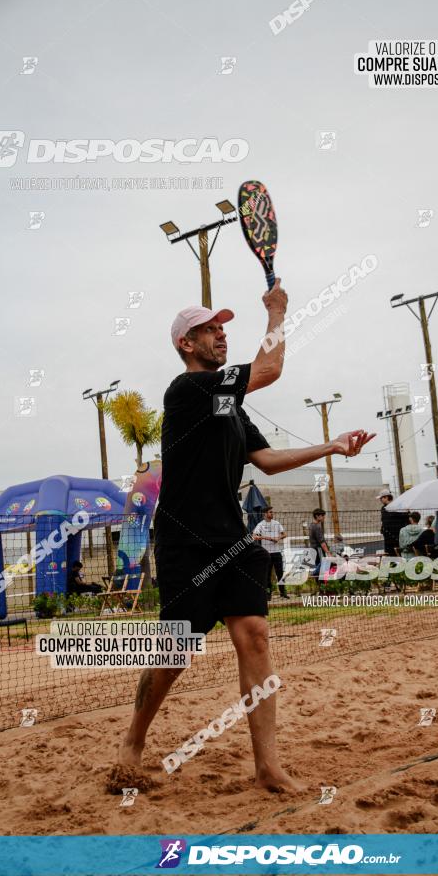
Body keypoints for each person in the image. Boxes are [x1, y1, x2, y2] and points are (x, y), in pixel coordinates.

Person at [116, 279, 374, 793]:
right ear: (185, 344)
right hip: (185, 541)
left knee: (253, 635)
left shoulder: (229, 406)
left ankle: (267, 767)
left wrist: (330, 446)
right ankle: (134, 739)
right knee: (174, 656)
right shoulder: (186, 390)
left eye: (222, 328)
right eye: (207, 330)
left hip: (232, 538)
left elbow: (267, 462)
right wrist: (277, 311)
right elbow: (270, 369)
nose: (220, 335)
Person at [253, 507, 289, 600]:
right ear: (265, 514)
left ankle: (283, 593)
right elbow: (254, 536)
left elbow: (284, 534)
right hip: (266, 553)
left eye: (272, 512)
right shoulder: (260, 525)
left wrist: (278, 538)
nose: (272, 513)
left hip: (277, 552)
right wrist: (264, 537)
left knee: (280, 573)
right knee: (267, 574)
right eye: (270, 512)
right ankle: (268, 594)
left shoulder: (276, 523)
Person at [378, 490, 410, 556]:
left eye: (381, 498)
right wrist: (382, 528)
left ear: (386, 497)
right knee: (390, 555)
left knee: (398, 554)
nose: (380, 500)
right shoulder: (383, 508)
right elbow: (384, 520)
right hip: (388, 537)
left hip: (398, 536)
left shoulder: (398, 507)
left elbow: (406, 518)